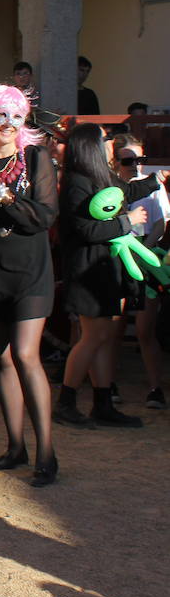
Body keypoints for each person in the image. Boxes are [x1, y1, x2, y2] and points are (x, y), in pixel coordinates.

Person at [0, 80, 59, 487]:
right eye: (0, 114)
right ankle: (15, 446)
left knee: (25, 354)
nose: (7, 122)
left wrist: (0, 191)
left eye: (15, 116)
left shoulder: (36, 158)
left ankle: (48, 453)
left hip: (31, 272)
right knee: (1, 358)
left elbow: (43, 216)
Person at [53, 123, 147, 429]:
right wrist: (126, 222)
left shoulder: (98, 177)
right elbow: (83, 230)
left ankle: (102, 403)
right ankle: (66, 402)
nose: (110, 142)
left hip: (103, 268)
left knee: (103, 337)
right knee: (93, 337)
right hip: (86, 270)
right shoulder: (77, 183)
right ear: (91, 146)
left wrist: (155, 184)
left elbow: (127, 190)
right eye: (105, 138)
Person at [109, 133, 165, 411]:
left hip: (144, 258)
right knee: (113, 327)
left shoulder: (152, 188)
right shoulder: (110, 187)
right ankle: (108, 384)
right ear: (116, 160)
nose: (136, 165)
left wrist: (147, 250)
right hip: (118, 259)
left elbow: (159, 223)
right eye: (130, 160)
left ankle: (155, 387)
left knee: (145, 329)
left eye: (141, 159)